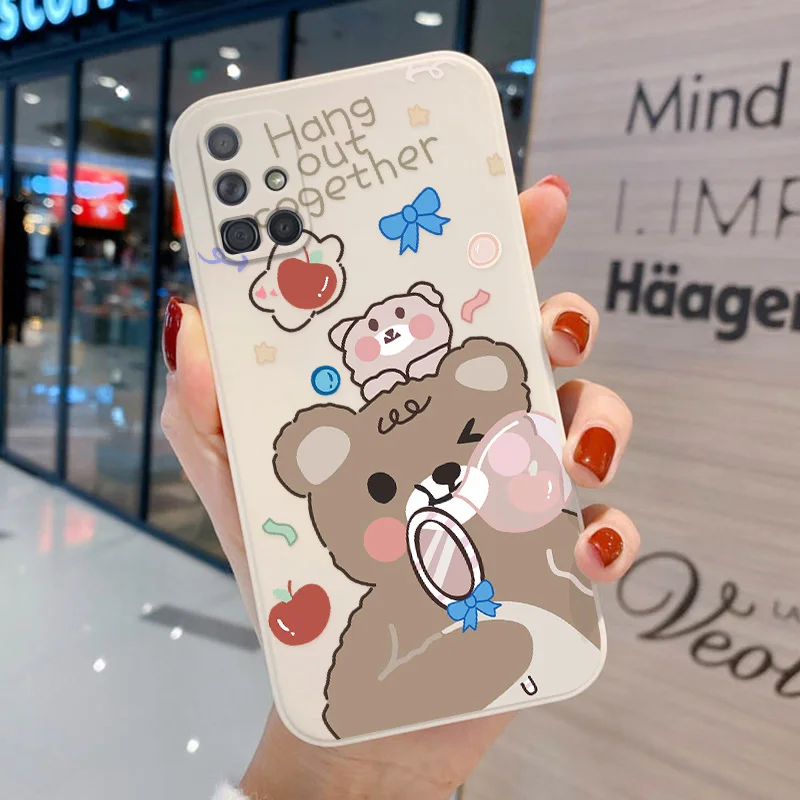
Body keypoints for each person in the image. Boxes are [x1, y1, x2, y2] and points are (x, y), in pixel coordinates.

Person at [161, 176, 639, 800]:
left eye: (466, 441)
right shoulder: (381, 612)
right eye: (382, 489)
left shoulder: (525, 532)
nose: (437, 481)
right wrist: (345, 773)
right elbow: (350, 698)